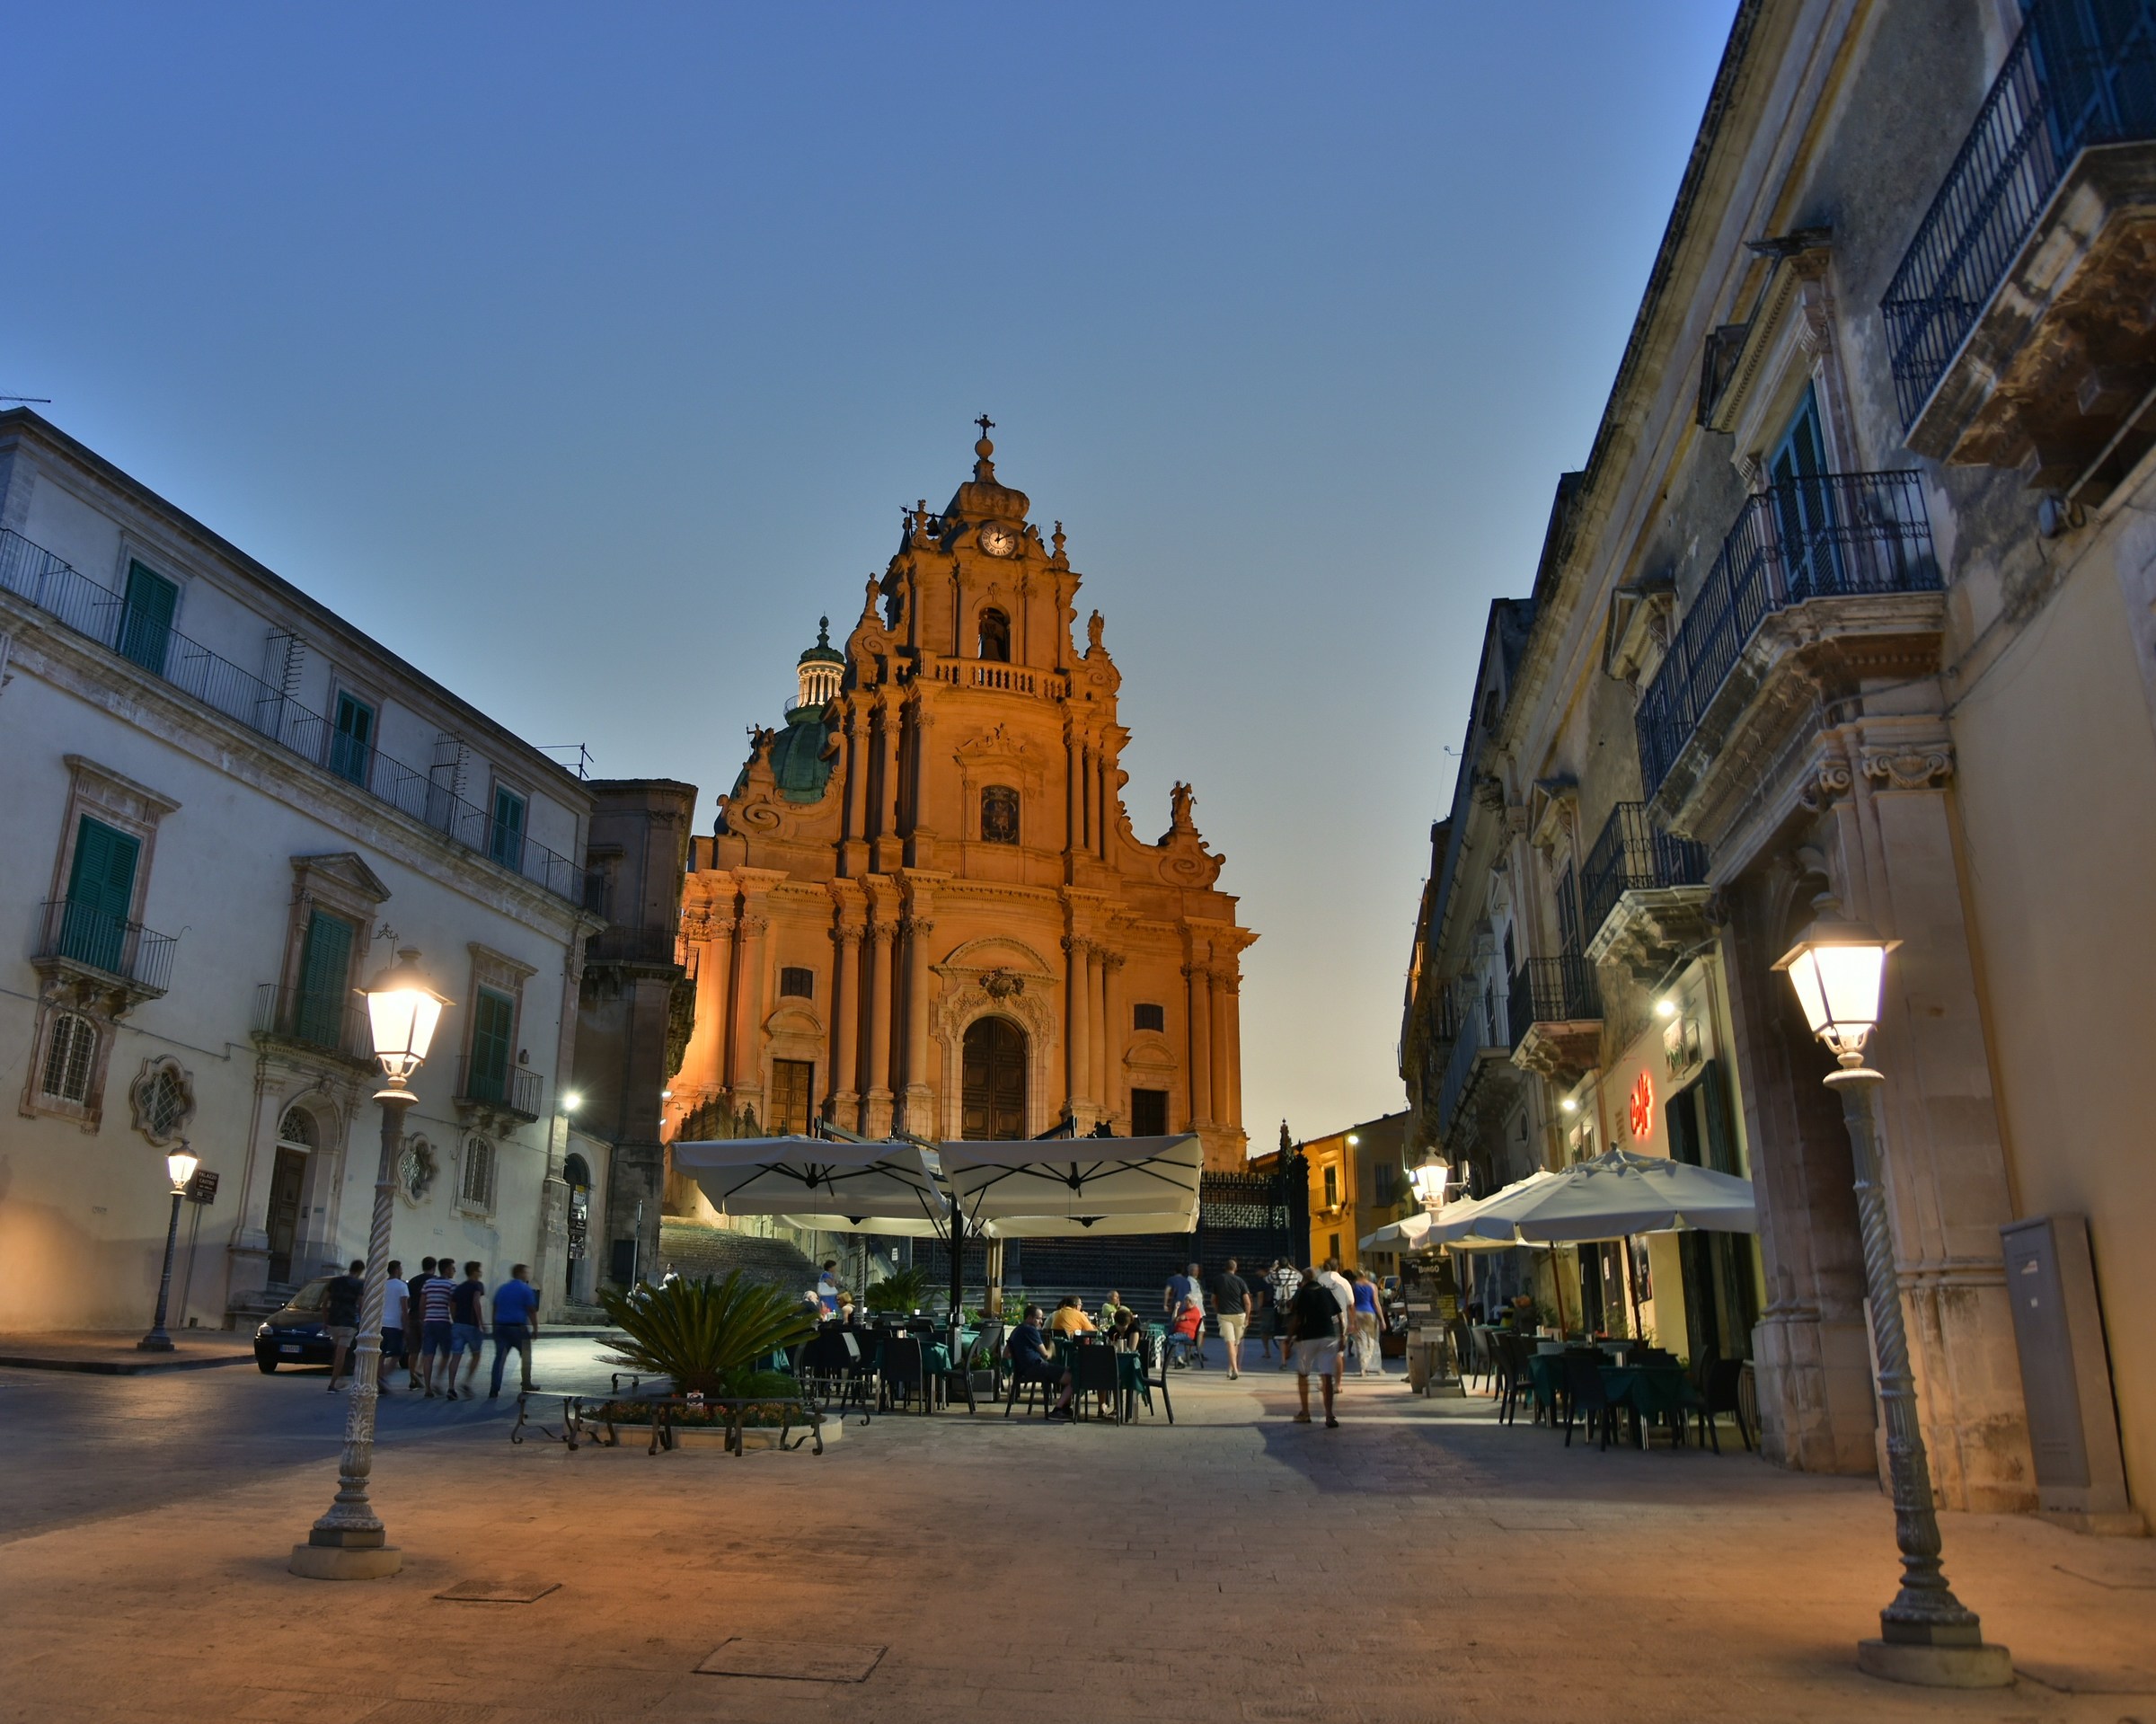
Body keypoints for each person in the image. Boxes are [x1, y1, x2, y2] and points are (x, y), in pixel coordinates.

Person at [1287, 1262, 1345, 1428]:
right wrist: (1341, 1336)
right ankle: (1329, 1415)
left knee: (1303, 1374)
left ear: (1303, 1280)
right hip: (1328, 1336)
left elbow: (1297, 1318)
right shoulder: (1326, 1292)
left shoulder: (1302, 1293)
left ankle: (1305, 1412)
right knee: (1327, 1376)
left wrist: (1289, 1338)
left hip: (1308, 1338)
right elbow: (1339, 1316)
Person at [1004, 1304, 1075, 1419]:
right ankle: (1059, 1409)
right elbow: (1046, 1355)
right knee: (1075, 1377)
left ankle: (1064, 1408)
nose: (1041, 1321)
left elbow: (1006, 1354)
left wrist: (1021, 1356)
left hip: (1024, 1369)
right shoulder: (1031, 1330)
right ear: (1029, 1318)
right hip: (1036, 1367)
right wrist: (1052, 1347)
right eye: (1038, 1318)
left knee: (1067, 1371)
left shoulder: (1017, 1329)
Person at [488, 1262, 541, 1399]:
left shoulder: (502, 1289)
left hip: (501, 1327)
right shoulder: (525, 1289)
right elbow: (531, 1310)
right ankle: (526, 1384)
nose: (527, 1275)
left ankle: (494, 1388)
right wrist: (535, 1328)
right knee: (526, 1357)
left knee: (499, 1358)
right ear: (520, 1274)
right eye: (525, 1272)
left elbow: (495, 1308)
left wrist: (494, 1327)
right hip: (518, 1328)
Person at [323, 1258, 365, 1392]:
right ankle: (333, 1384)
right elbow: (360, 1304)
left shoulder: (335, 1281)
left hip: (333, 1321)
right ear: (360, 1271)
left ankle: (339, 1377)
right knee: (341, 1353)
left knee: (338, 1352)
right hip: (348, 1322)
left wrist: (326, 1320)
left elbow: (324, 1302)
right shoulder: (358, 1284)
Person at [448, 1260, 487, 1399]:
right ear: (475, 1272)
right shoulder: (478, 1285)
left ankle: (451, 1387)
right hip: (472, 1326)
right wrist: (481, 1322)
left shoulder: (459, 1287)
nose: (481, 1272)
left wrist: (455, 1319)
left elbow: (452, 1305)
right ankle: (467, 1382)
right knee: (476, 1355)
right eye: (479, 1270)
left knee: (456, 1356)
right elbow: (476, 1302)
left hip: (458, 1325)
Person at [417, 1260, 456, 1397]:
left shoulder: (428, 1284)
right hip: (443, 1322)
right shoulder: (451, 1285)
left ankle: (427, 1388)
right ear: (446, 1270)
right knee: (446, 1354)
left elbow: (422, 1303)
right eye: (452, 1268)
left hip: (429, 1322)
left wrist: (423, 1319)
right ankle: (438, 1380)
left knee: (428, 1356)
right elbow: (452, 1305)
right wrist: (454, 1320)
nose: (454, 1270)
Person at [1317, 1258, 1354, 1392]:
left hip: (1321, 1320)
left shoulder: (1319, 1280)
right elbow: (1351, 1304)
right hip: (1340, 1321)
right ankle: (1337, 1385)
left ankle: (1324, 1383)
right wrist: (1352, 1323)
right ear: (1338, 1267)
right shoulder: (1344, 1282)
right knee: (1339, 1353)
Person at [1211, 1258, 1252, 1379]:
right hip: (1239, 1314)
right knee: (1236, 1343)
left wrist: (1216, 1310)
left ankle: (1232, 1368)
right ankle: (1233, 1368)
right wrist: (1247, 1318)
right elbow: (1247, 1302)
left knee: (1230, 1343)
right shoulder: (1240, 1281)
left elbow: (1213, 1300)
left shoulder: (1218, 1280)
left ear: (1225, 1267)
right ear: (1235, 1268)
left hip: (1224, 1314)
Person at [404, 1256, 438, 1378]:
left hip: (413, 1315)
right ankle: (420, 1370)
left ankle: (412, 1378)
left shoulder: (413, 1281)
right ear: (434, 1268)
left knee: (413, 1351)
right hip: (428, 1317)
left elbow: (408, 1300)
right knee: (428, 1348)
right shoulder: (435, 1281)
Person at [1268, 1260, 1303, 1370]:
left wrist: (1273, 1268)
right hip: (1292, 1308)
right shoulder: (1294, 1274)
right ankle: (1301, 1362)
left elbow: (1267, 1278)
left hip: (1280, 1309)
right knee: (1295, 1335)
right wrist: (1291, 1267)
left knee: (1281, 1337)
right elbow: (1301, 1276)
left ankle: (1283, 1362)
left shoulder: (1275, 1276)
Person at [380, 1260, 409, 1392]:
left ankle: (378, 1376)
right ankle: (384, 1376)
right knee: (397, 1353)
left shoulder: (382, 1285)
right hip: (395, 1324)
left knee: (381, 1353)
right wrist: (405, 1326)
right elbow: (404, 1308)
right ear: (397, 1270)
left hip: (381, 1323)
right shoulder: (402, 1286)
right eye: (401, 1269)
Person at [1348, 1269, 1382, 1377]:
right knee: (1371, 1340)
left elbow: (1352, 1303)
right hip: (1370, 1314)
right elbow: (1376, 1303)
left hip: (1358, 1313)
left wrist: (1351, 1320)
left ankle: (1362, 1368)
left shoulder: (1354, 1286)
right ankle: (1369, 1364)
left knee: (1360, 1340)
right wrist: (1382, 1319)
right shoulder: (1372, 1286)